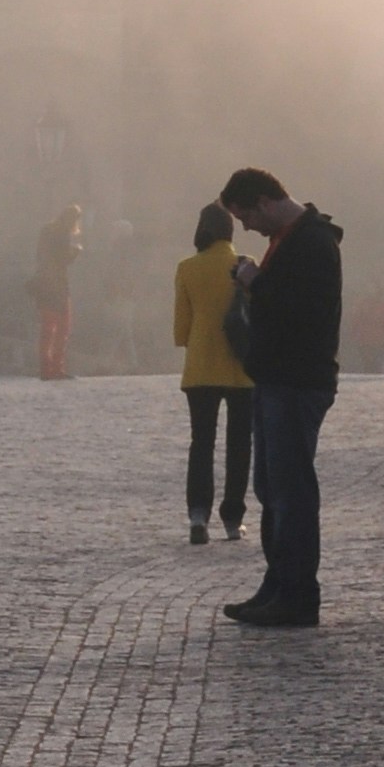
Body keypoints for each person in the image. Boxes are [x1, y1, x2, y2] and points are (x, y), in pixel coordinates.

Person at [218, 166, 342, 631]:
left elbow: (299, 312)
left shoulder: (311, 243)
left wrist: (254, 281)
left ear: (265, 203)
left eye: (246, 217)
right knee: (272, 487)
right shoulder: (293, 239)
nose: (247, 227)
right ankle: (278, 584)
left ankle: (297, 594)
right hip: (277, 379)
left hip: (296, 380)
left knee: (291, 492)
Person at [172, 201, 252, 546]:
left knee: (201, 443)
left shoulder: (187, 268)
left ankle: (197, 515)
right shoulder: (245, 267)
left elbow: (181, 330)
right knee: (239, 444)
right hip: (241, 366)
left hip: (201, 366)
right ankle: (233, 518)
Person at [33, 202, 83, 382]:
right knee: (63, 327)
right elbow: (63, 260)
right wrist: (76, 252)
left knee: (47, 329)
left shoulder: (46, 230)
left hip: (43, 285)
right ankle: (57, 368)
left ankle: (45, 369)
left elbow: (41, 257)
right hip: (58, 287)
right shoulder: (63, 234)